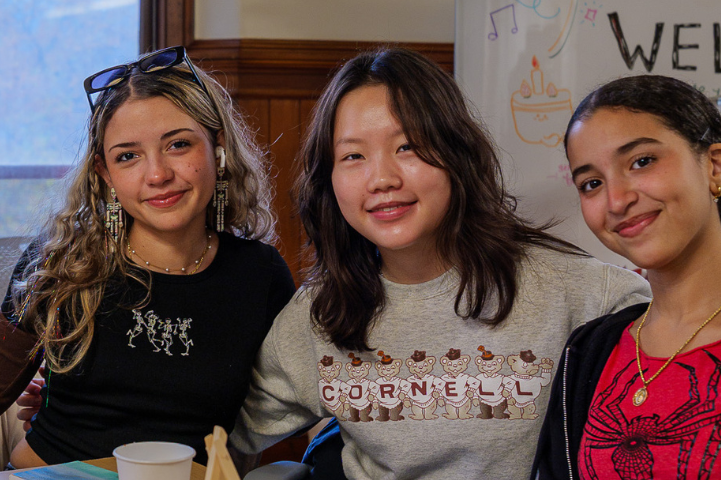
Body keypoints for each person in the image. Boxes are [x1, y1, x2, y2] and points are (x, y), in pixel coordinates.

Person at [230, 48, 650, 479]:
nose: (382, 179)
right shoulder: (318, 314)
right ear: (329, 179)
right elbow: (225, 442)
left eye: (408, 147)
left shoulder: (579, 293)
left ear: (456, 154)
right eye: (353, 156)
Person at [0, 46, 297, 467]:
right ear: (105, 173)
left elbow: (290, 410)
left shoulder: (261, 274)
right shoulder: (58, 262)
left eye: (179, 145)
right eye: (127, 156)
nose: (157, 174)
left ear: (217, 147)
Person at [533, 75, 721, 479]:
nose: (617, 200)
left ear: (716, 166)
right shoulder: (587, 353)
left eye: (642, 161)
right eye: (592, 183)